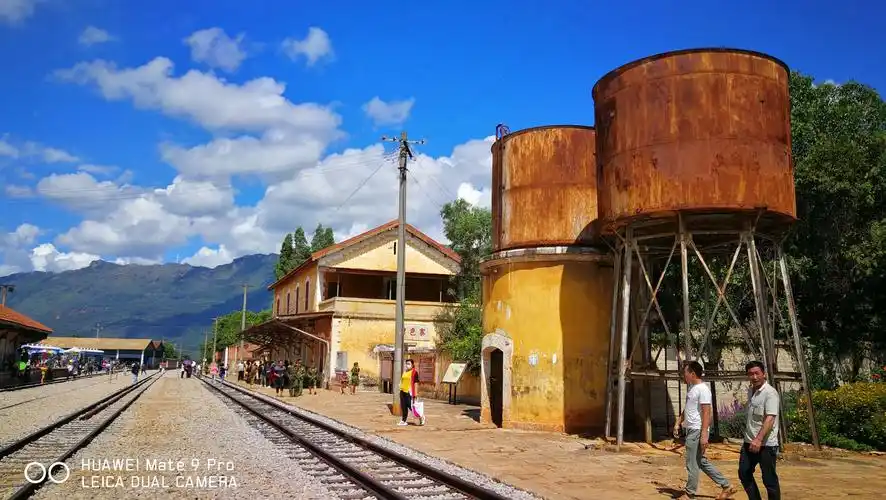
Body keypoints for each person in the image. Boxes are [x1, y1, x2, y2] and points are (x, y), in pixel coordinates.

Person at [673, 361, 735, 500]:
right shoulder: (692, 389)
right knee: (701, 462)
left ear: (692, 374)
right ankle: (726, 486)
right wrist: (678, 422)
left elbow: (707, 412)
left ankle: (689, 493)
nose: (683, 375)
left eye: (685, 372)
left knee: (692, 463)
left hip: (696, 430)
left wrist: (704, 434)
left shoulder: (703, 389)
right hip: (691, 430)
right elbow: (688, 408)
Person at [739, 360, 781, 500]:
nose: (754, 377)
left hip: (766, 444)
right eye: (751, 374)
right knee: (744, 473)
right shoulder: (751, 391)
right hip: (749, 442)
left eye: (757, 373)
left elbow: (770, 418)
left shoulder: (770, 393)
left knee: (769, 480)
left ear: (764, 374)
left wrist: (758, 439)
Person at [397, 359, 424, 426]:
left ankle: (421, 417)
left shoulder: (414, 372)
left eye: (409, 364)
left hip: (409, 392)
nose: (407, 365)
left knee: (411, 407)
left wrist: (415, 393)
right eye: (406, 363)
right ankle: (403, 420)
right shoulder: (405, 372)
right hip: (402, 391)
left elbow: (416, 383)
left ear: (412, 365)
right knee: (403, 407)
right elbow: (402, 380)